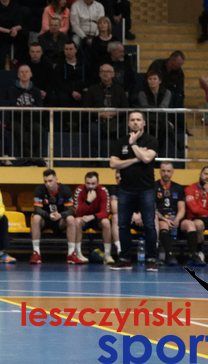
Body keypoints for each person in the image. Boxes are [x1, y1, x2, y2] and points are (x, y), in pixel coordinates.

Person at [109, 111, 159, 270]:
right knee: (123, 225)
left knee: (149, 225)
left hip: (146, 190)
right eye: (132, 120)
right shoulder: (120, 142)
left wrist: (133, 144)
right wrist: (134, 159)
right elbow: (113, 164)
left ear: (144, 123)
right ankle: (124, 258)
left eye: (138, 120)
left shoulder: (151, 140)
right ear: (129, 123)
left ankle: (151, 259)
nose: (135, 122)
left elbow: (146, 158)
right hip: (125, 189)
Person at [29, 169, 77, 264]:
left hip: (60, 220)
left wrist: (60, 215)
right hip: (45, 220)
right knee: (36, 218)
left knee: (71, 219)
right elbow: (37, 209)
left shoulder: (65, 190)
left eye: (50, 181)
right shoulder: (39, 189)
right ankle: (36, 253)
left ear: (56, 180)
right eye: (45, 181)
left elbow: (70, 210)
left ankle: (71, 254)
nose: (48, 184)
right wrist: (49, 215)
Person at [5, 64, 46, 166]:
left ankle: (31, 156)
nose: (24, 74)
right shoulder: (12, 90)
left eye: (26, 72)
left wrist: (22, 108)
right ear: (18, 75)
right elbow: (13, 107)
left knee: (38, 129)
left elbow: (38, 109)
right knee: (17, 129)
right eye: (22, 72)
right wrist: (30, 108)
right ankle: (32, 157)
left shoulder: (36, 91)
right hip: (16, 119)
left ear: (31, 74)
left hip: (32, 120)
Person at [84, 63, 128, 156]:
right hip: (97, 119)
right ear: (99, 74)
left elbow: (125, 107)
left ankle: (121, 156)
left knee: (125, 129)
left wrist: (115, 113)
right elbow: (86, 107)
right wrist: (99, 114)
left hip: (116, 119)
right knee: (93, 130)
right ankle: (95, 159)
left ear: (113, 74)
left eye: (108, 71)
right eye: (103, 71)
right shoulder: (92, 89)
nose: (105, 74)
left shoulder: (119, 90)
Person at [71, 172, 111, 264]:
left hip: (96, 219)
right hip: (83, 219)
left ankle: (107, 254)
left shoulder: (103, 190)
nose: (90, 186)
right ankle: (78, 253)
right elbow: (77, 213)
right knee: (76, 221)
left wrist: (92, 216)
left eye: (93, 184)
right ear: (84, 182)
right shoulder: (79, 190)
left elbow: (105, 212)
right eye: (88, 183)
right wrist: (88, 201)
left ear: (98, 183)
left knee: (106, 222)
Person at [154, 161, 186, 268]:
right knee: (163, 225)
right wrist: (165, 219)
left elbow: (181, 208)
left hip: (174, 217)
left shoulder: (178, 188)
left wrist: (177, 220)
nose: (166, 174)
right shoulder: (153, 186)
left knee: (190, 225)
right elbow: (152, 209)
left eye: (168, 171)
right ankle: (170, 255)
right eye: (163, 171)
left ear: (172, 172)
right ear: (160, 171)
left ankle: (194, 255)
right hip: (160, 217)